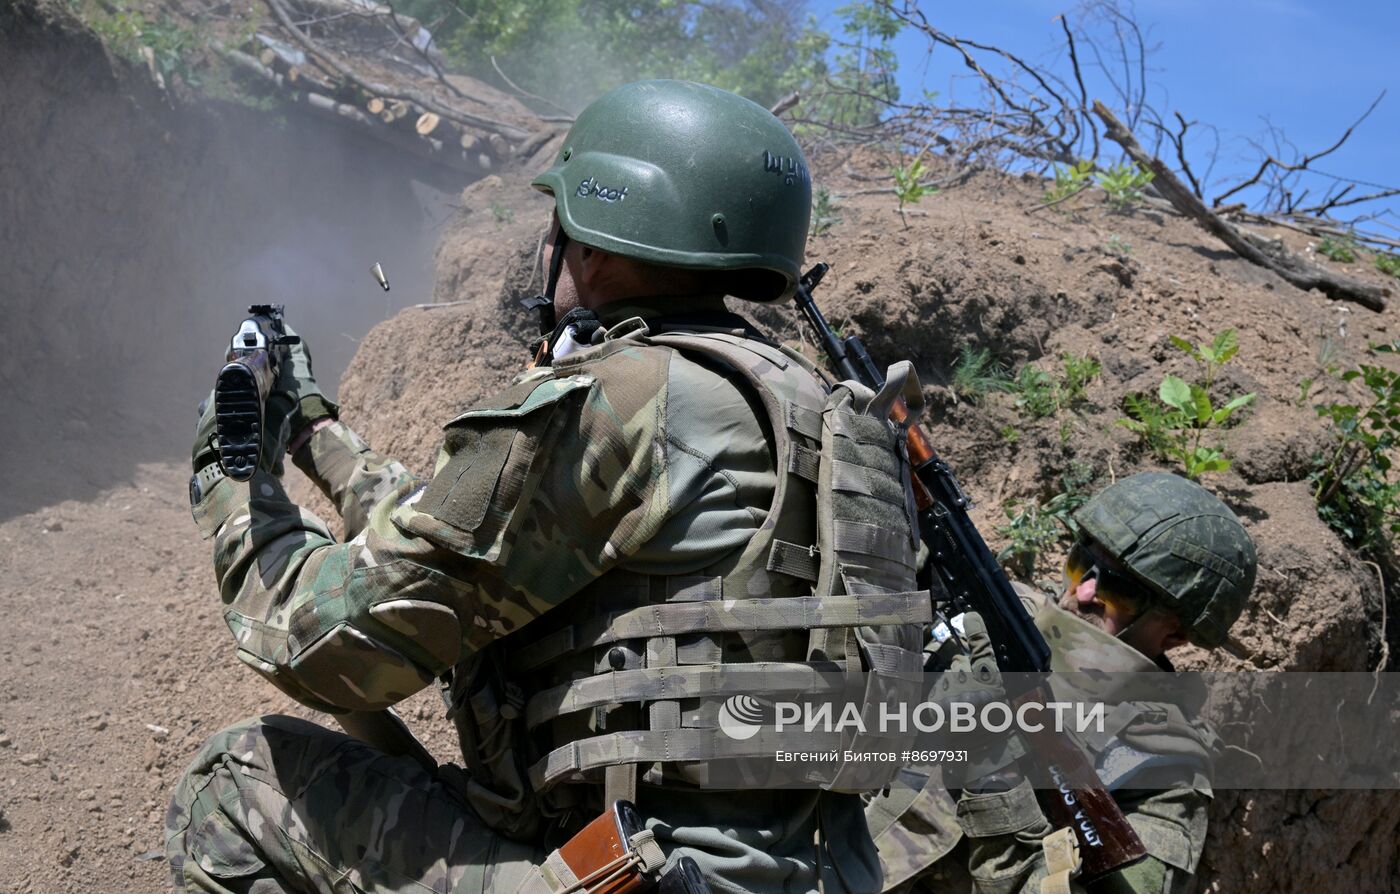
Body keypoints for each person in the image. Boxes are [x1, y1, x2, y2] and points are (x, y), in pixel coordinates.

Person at [167, 79, 930, 894]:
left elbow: (323, 646)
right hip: (814, 874)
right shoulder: (810, 416)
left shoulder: (624, 398)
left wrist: (231, 481)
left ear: (595, 243)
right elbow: (460, 539)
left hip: (643, 873)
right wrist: (316, 433)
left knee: (233, 785)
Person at [867, 471, 1257, 894]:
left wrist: (992, 768)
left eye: (1119, 590)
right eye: (1080, 564)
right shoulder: (990, 610)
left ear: (1176, 633)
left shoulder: (1160, 768)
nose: (1084, 592)